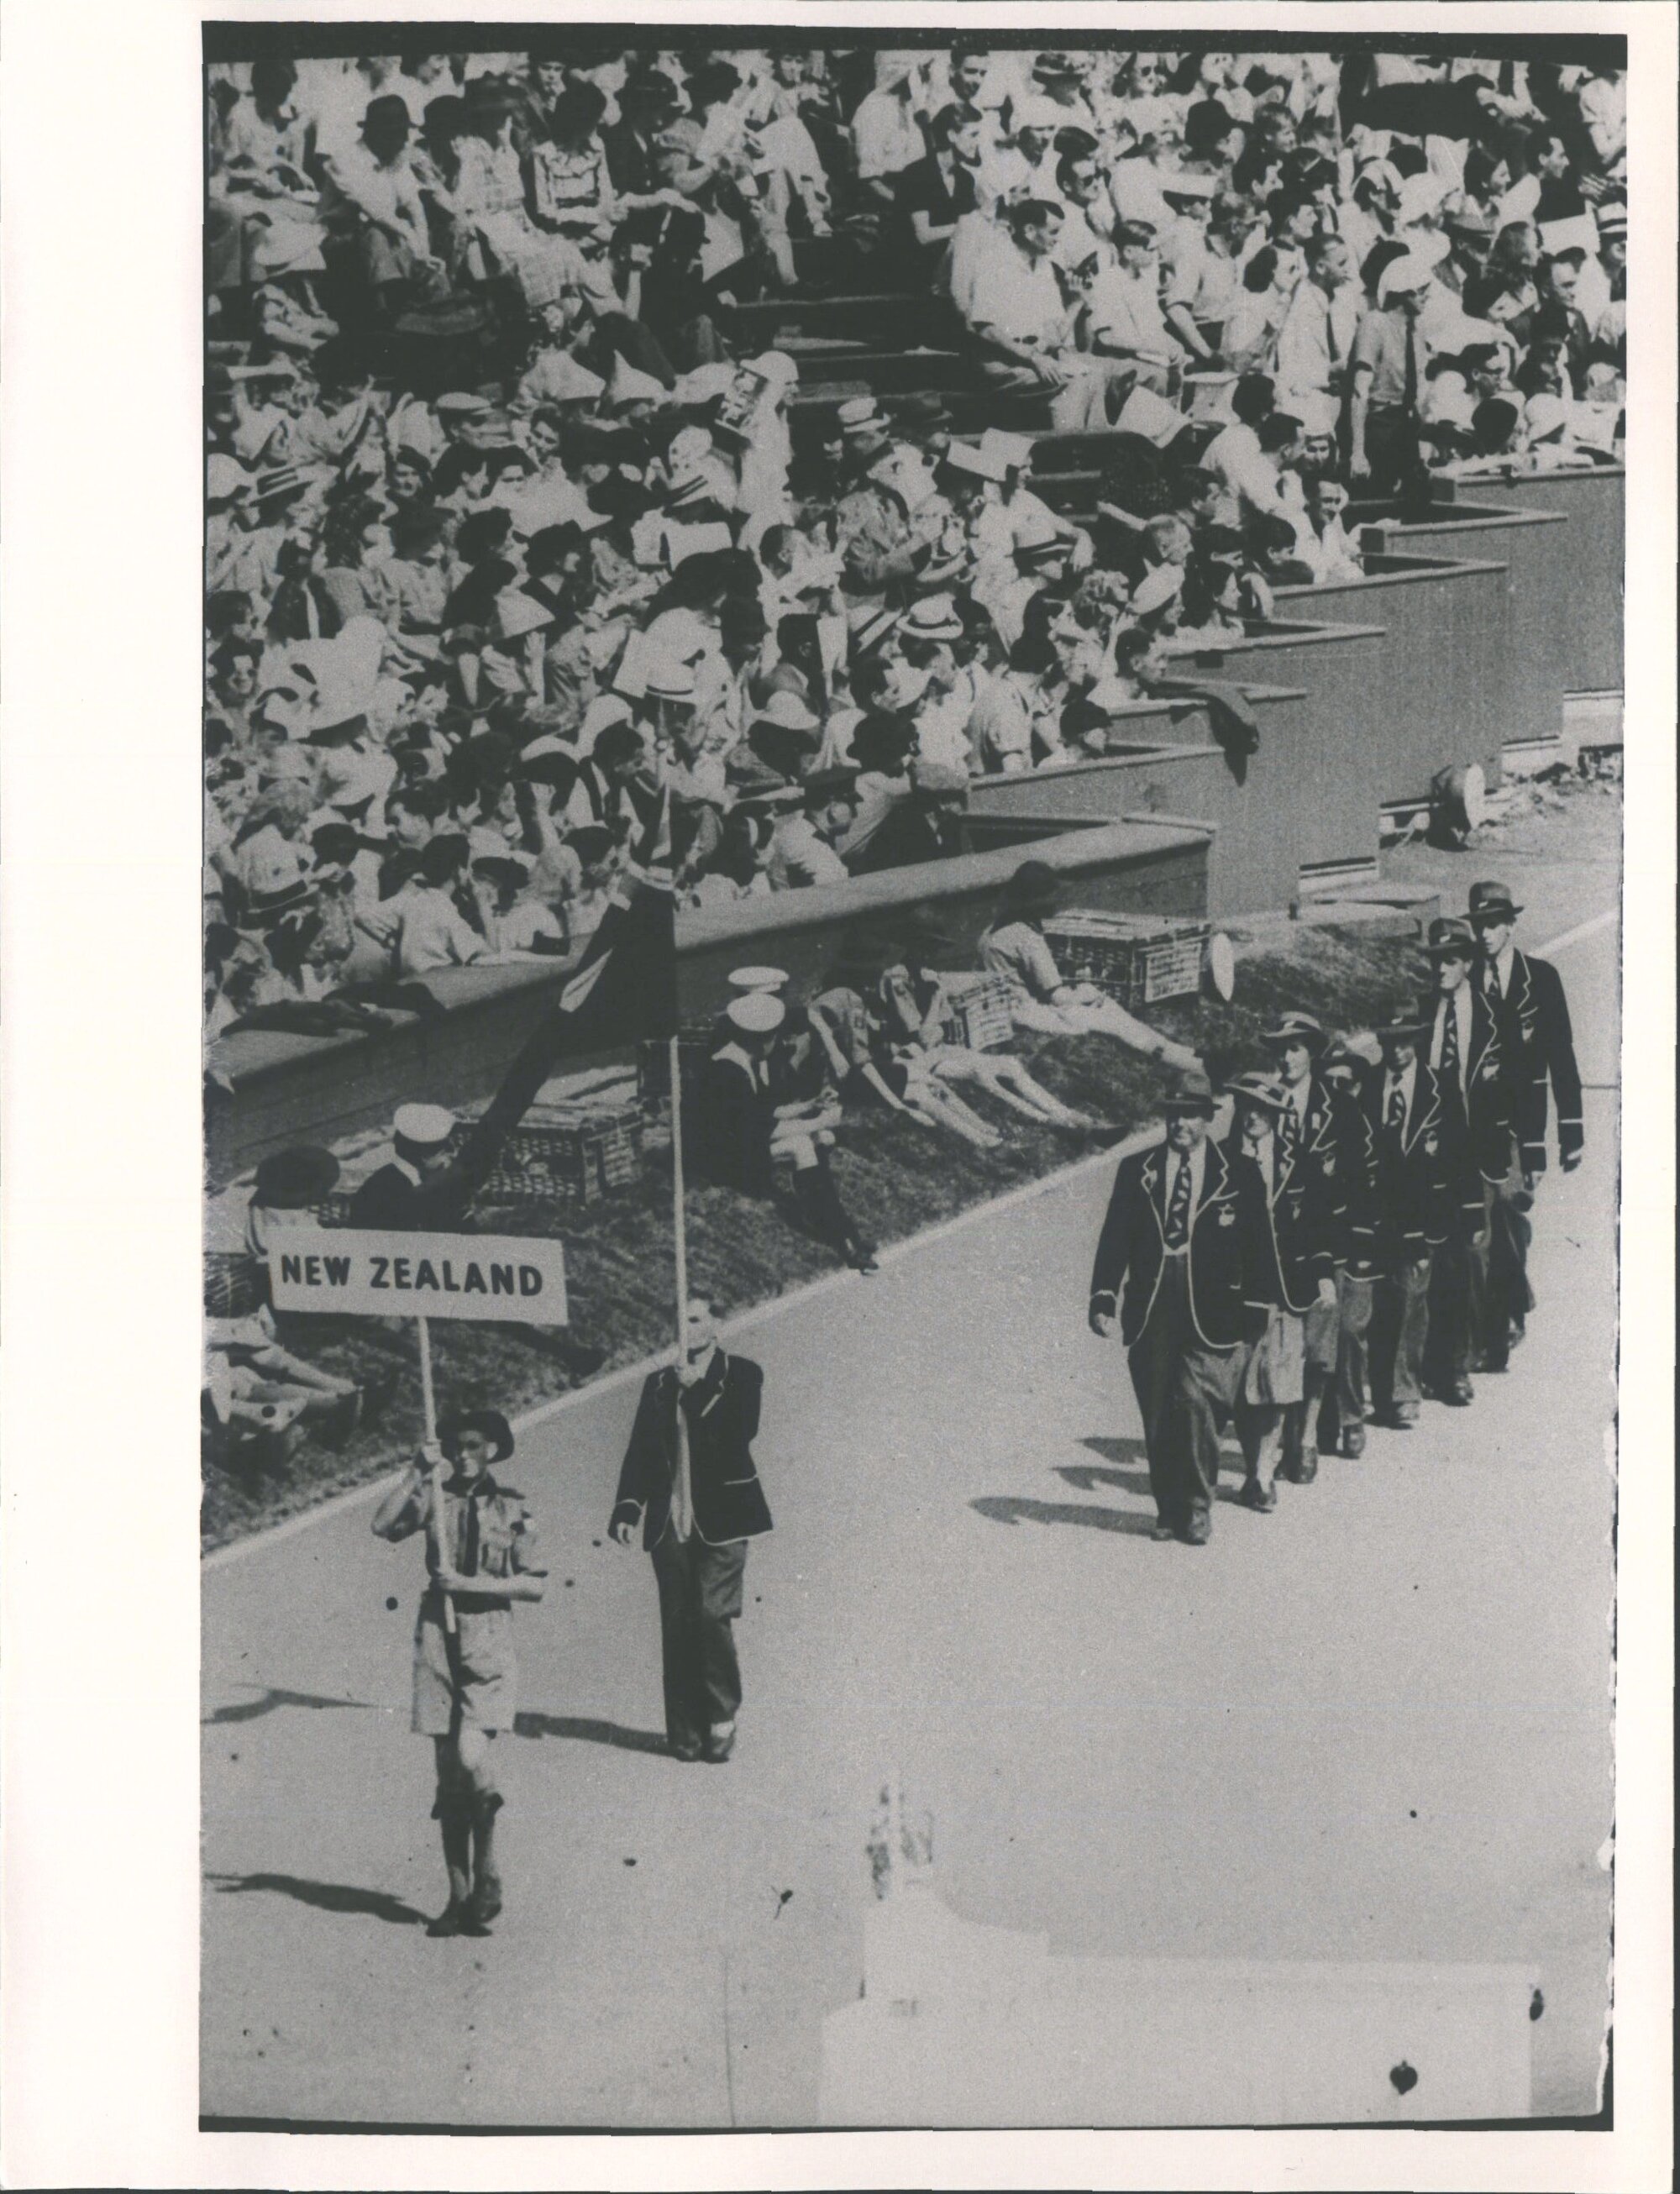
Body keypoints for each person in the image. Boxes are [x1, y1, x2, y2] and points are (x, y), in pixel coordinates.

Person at [371, 1407, 547, 1935]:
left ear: (492, 1447)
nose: (463, 1456)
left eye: (473, 1446)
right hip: (436, 1636)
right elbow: (382, 1525)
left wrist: (469, 1587)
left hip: (487, 1636)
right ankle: (459, 1896)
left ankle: (488, 1869)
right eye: (455, 1448)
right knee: (448, 1775)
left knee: (473, 1758)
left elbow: (533, 1583)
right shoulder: (435, 1497)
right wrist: (414, 1472)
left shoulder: (513, 1505)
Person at [1088, 1068, 1247, 1546]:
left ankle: (1197, 1506)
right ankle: (1167, 1507)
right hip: (1152, 1301)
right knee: (1156, 1408)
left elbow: (1256, 1242)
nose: (1182, 1126)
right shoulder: (1137, 1170)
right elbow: (1115, 1237)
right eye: (1175, 1116)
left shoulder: (1234, 1170)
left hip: (1210, 1305)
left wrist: (1254, 1303)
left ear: (1207, 1118)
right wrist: (1103, 1296)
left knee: (1197, 1403)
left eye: (1192, 1116)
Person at [609, 1300, 771, 1763]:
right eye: (679, 1319)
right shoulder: (658, 1384)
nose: (686, 1327)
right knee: (678, 1622)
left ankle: (721, 1716)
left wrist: (697, 1391)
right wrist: (628, 1507)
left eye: (696, 1318)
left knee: (710, 1614)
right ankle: (684, 1730)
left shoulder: (742, 1374)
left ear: (717, 1326)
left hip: (724, 1517)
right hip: (670, 1517)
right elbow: (643, 1447)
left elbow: (739, 1433)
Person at [1467, 878, 1583, 1368]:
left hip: (1523, 1131)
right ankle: (1495, 1332)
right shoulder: (1465, 980)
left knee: (1512, 1221)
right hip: (1475, 1129)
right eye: (1479, 926)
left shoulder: (1543, 978)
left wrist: (1571, 1133)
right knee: (1481, 1231)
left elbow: (1562, 1058)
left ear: (1511, 925)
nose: (1486, 935)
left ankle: (1512, 1310)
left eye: (1494, 924)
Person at [1259, 1010, 1378, 1467]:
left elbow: (1359, 1179)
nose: (1286, 1059)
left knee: (1320, 1346)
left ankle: (1306, 1437)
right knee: (1279, 1347)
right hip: (1278, 1246)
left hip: (1330, 1241)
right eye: (1279, 1050)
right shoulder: (1262, 1104)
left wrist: (1352, 1244)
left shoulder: (1340, 1107)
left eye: (1294, 1049)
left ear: (1311, 1052)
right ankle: (1284, 1434)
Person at [1222, 1069, 1339, 1512]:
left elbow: (1318, 1223)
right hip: (1240, 1291)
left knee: (1280, 1383)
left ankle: (1261, 1475)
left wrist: (1323, 1273)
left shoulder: (1299, 1161)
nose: (1252, 1117)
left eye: (1262, 1110)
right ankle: (1256, 1462)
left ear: (1275, 1115)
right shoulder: (1222, 1161)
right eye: (1246, 1108)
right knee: (1243, 1391)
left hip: (1287, 1291)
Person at [1418, 916, 1513, 1408]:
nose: (1441, 970)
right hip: (1426, 1160)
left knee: (1470, 1258)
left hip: (1477, 1159)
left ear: (1469, 964)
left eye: (1450, 960)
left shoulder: (1493, 1016)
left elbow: (1513, 1092)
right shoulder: (1418, 1014)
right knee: (1426, 1262)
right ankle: (1425, 1363)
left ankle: (1458, 1364)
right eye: (1435, 961)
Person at [979, 859, 1203, 1068]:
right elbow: (1058, 997)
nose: (1055, 902)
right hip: (1025, 1015)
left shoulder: (990, 931)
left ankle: (1178, 1053)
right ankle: (1178, 1058)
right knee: (1109, 1017)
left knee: (1104, 1008)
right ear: (1036, 902)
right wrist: (1088, 994)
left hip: (997, 1012)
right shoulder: (1026, 938)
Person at [1361, 1005, 1457, 1430]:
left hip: (1419, 1214)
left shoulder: (1440, 1088)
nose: (1396, 1050)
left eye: (1403, 1041)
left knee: (1409, 1301)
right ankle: (1381, 1390)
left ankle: (1402, 1391)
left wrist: (1445, 1216)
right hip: (1374, 1211)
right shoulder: (1367, 1087)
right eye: (1388, 1041)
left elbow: (1456, 1157)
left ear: (1416, 1041)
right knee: (1380, 1304)